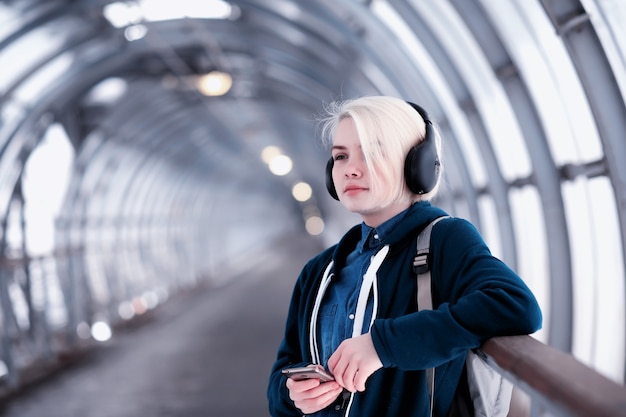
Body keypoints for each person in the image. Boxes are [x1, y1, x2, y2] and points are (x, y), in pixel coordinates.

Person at [267, 95, 542, 417]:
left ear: (416, 165)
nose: (350, 170)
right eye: (340, 156)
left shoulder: (443, 239)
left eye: (372, 153)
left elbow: (514, 305)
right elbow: (283, 372)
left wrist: (382, 346)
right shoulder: (319, 271)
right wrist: (292, 395)